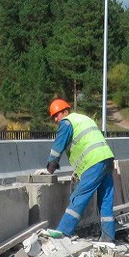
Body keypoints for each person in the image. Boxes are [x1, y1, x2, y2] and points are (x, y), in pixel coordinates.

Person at [42, 98, 116, 241]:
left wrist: (50, 169)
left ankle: (63, 232)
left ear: (65, 111)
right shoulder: (83, 118)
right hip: (107, 159)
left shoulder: (67, 122)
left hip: (93, 162)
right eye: (54, 117)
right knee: (106, 200)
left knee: (79, 197)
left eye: (57, 115)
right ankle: (108, 239)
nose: (56, 119)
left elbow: (58, 147)